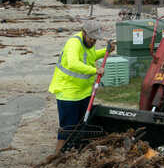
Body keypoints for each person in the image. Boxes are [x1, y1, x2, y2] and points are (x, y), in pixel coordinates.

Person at [48, 19, 116, 151]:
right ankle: (57, 156)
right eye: (91, 39)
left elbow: (91, 56)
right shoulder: (74, 43)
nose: (93, 42)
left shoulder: (88, 45)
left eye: (96, 39)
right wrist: (95, 70)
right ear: (84, 33)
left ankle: (76, 151)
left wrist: (106, 51)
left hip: (83, 92)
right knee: (68, 128)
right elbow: (73, 63)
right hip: (69, 93)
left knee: (81, 125)